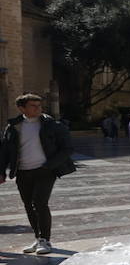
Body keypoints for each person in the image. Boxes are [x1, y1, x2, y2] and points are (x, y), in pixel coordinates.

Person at [0, 93, 76, 255]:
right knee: (29, 206)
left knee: (39, 203)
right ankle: (37, 239)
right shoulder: (13, 126)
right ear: (22, 108)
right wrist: (1, 172)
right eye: (33, 106)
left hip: (44, 170)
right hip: (22, 171)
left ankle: (45, 240)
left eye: (39, 105)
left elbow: (67, 148)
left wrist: (49, 166)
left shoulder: (52, 124)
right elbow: (5, 152)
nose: (38, 109)